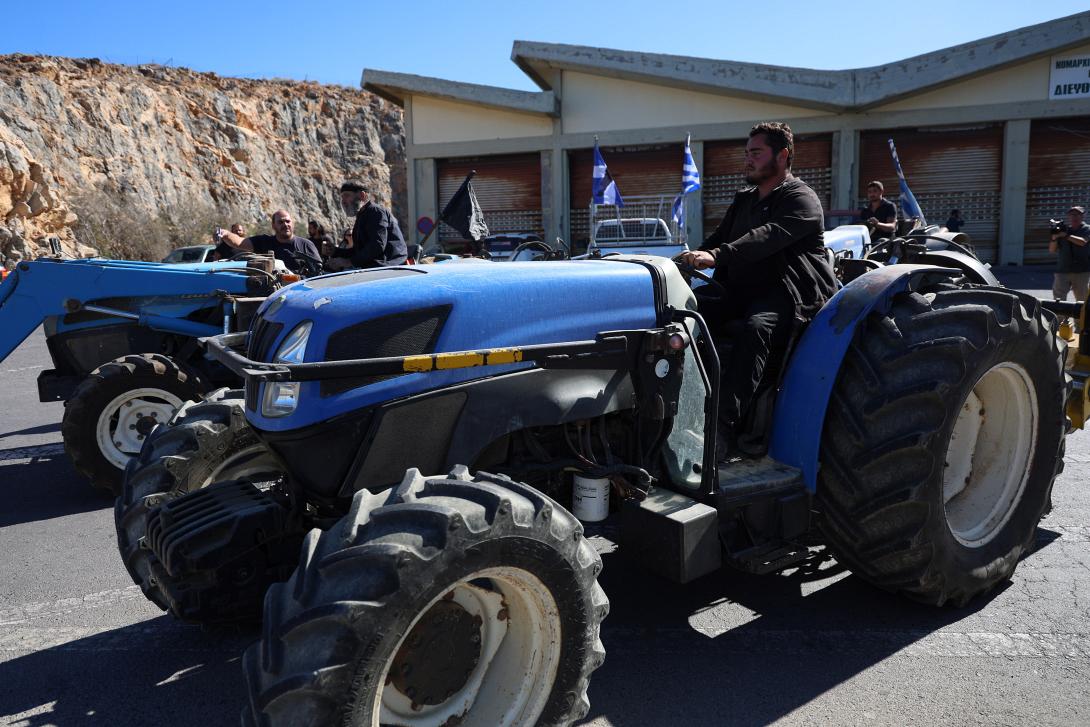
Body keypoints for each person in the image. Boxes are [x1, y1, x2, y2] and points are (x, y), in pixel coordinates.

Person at [679, 122, 837, 455]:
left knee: (756, 328)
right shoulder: (744, 200)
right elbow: (719, 238)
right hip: (740, 291)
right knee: (684, 314)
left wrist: (716, 256)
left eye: (756, 153)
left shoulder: (801, 199)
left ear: (781, 156)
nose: (747, 160)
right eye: (746, 153)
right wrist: (685, 262)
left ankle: (722, 428)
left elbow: (765, 238)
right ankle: (678, 408)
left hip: (788, 295)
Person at [215, 209, 322, 274]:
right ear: (273, 226)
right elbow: (239, 242)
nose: (285, 224)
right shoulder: (264, 242)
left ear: (292, 223)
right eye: (280, 222)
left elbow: (318, 271)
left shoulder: (306, 245)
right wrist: (225, 233)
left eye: (288, 221)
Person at [339, 180, 407, 268]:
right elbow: (358, 251)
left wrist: (348, 262)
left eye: (347, 195)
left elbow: (377, 245)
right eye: (342, 197)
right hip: (375, 266)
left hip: (389, 266)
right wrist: (335, 252)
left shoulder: (375, 211)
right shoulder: (361, 216)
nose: (343, 201)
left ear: (362, 195)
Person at [1050, 205, 1090, 302]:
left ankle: (1079, 318)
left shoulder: (1087, 229)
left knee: (1082, 302)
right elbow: (1052, 250)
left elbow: (1082, 242)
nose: (1074, 217)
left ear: (1083, 216)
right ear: (1068, 217)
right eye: (1072, 215)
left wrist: (1066, 236)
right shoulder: (1063, 229)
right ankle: (1060, 317)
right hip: (1062, 270)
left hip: (1082, 271)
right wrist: (1054, 238)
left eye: (1077, 214)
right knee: (1058, 301)